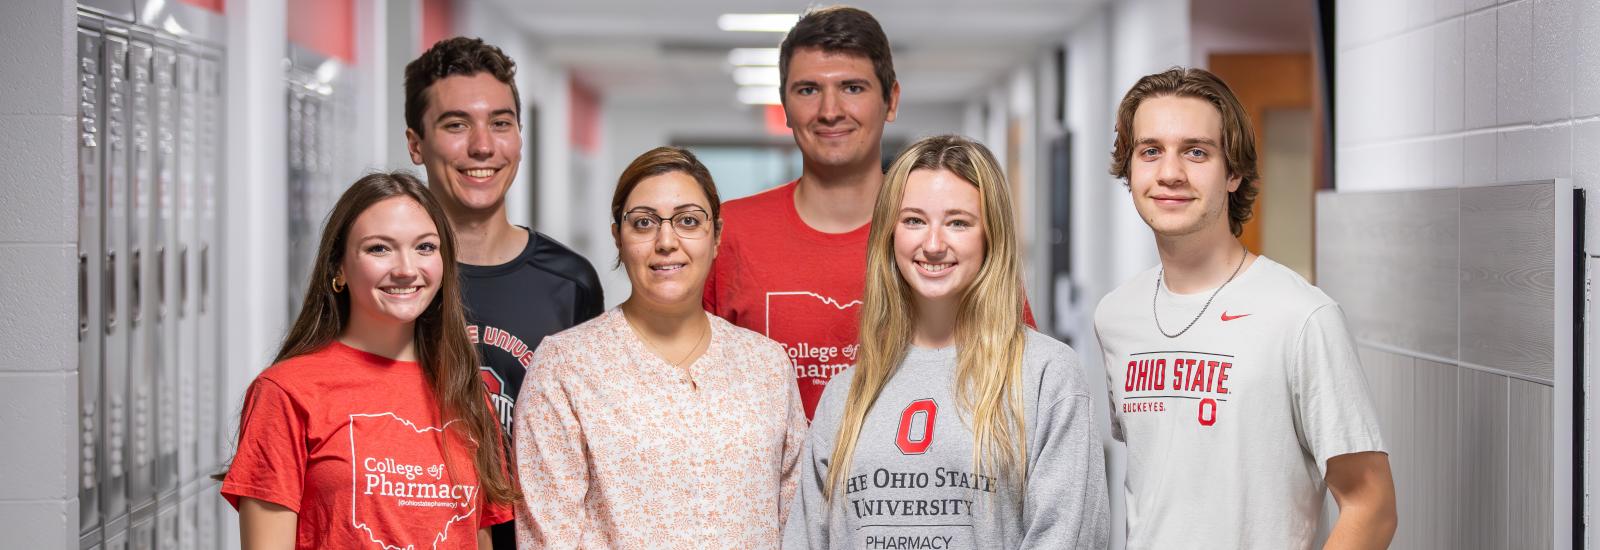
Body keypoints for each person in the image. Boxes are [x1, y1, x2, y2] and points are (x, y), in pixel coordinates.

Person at [1095, 67, 1397, 548]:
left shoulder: (1301, 317)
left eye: (1196, 152)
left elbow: (1372, 506)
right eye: (1150, 151)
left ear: (1233, 172)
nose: (1170, 173)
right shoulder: (1115, 316)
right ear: (1129, 171)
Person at [785, 135, 1110, 549]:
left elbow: (1067, 537)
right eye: (914, 221)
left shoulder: (1046, 376)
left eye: (958, 222)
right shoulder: (847, 394)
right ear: (889, 234)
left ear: (990, 236)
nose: (934, 244)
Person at [513, 147, 808, 548]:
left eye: (688, 221)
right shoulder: (566, 366)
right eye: (644, 223)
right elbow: (548, 537)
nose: (666, 241)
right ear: (617, 236)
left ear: (717, 236)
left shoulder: (766, 365)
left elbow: (795, 524)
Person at [221, 172, 516, 549]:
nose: (406, 269)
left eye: (425, 248)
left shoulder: (466, 391)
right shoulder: (286, 392)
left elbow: (477, 539)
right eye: (379, 249)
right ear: (338, 269)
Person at [403, 37, 604, 549]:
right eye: (455, 124)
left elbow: (593, 449)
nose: (483, 146)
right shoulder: (391, 280)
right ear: (415, 143)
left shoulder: (571, 282)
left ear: (519, 135)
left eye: (500, 122)